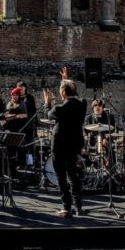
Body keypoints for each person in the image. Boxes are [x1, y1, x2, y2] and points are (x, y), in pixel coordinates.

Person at [46, 68, 87, 217]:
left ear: (63, 93)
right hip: (74, 145)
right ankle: (79, 207)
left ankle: (67, 207)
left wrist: (47, 103)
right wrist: (65, 80)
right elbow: (73, 95)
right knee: (73, 176)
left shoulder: (58, 108)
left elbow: (48, 115)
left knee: (61, 178)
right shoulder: (82, 104)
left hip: (59, 147)